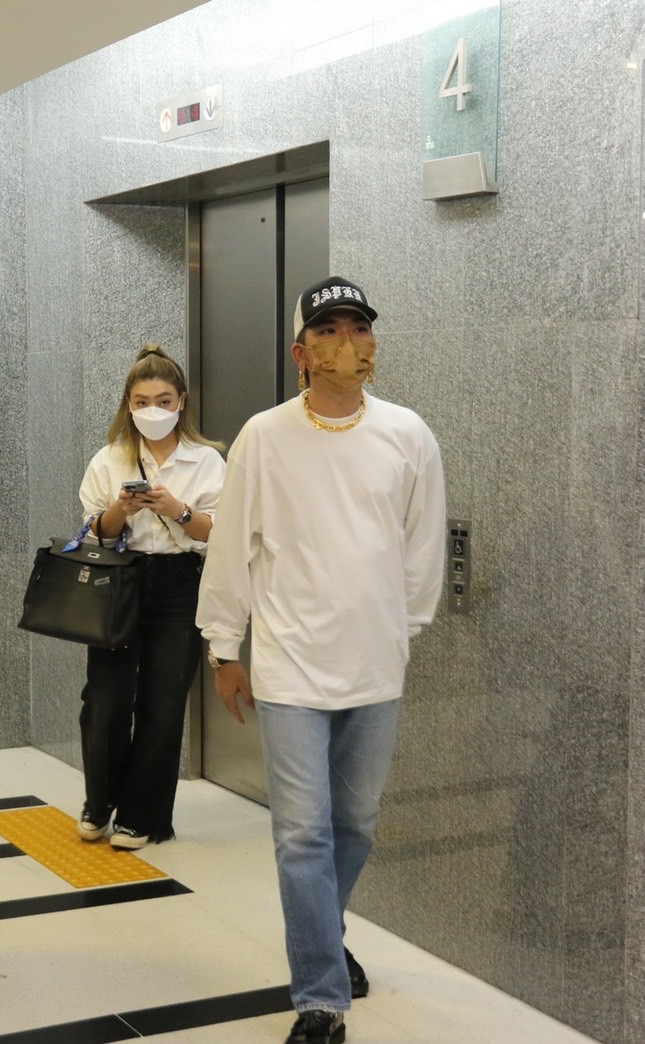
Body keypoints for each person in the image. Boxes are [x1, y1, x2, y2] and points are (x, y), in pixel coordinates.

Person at [196, 277, 445, 1044]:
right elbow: (232, 546)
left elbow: (421, 546)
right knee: (303, 834)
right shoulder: (264, 436)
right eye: (329, 330)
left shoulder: (408, 434)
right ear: (300, 353)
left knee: (356, 822)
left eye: (358, 328)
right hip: (290, 664)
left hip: (375, 665)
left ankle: (322, 934)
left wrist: (399, 630)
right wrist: (223, 646)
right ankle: (321, 998)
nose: (347, 342)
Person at [74, 344, 226, 850]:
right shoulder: (109, 459)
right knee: (105, 699)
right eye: (142, 402)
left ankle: (144, 815)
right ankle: (100, 801)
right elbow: (94, 533)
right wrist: (122, 509)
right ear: (128, 404)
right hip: (120, 581)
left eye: (163, 400)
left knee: (163, 701)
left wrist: (177, 509)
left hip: (180, 584)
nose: (153, 411)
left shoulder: (206, 460)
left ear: (182, 402)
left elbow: (218, 533)